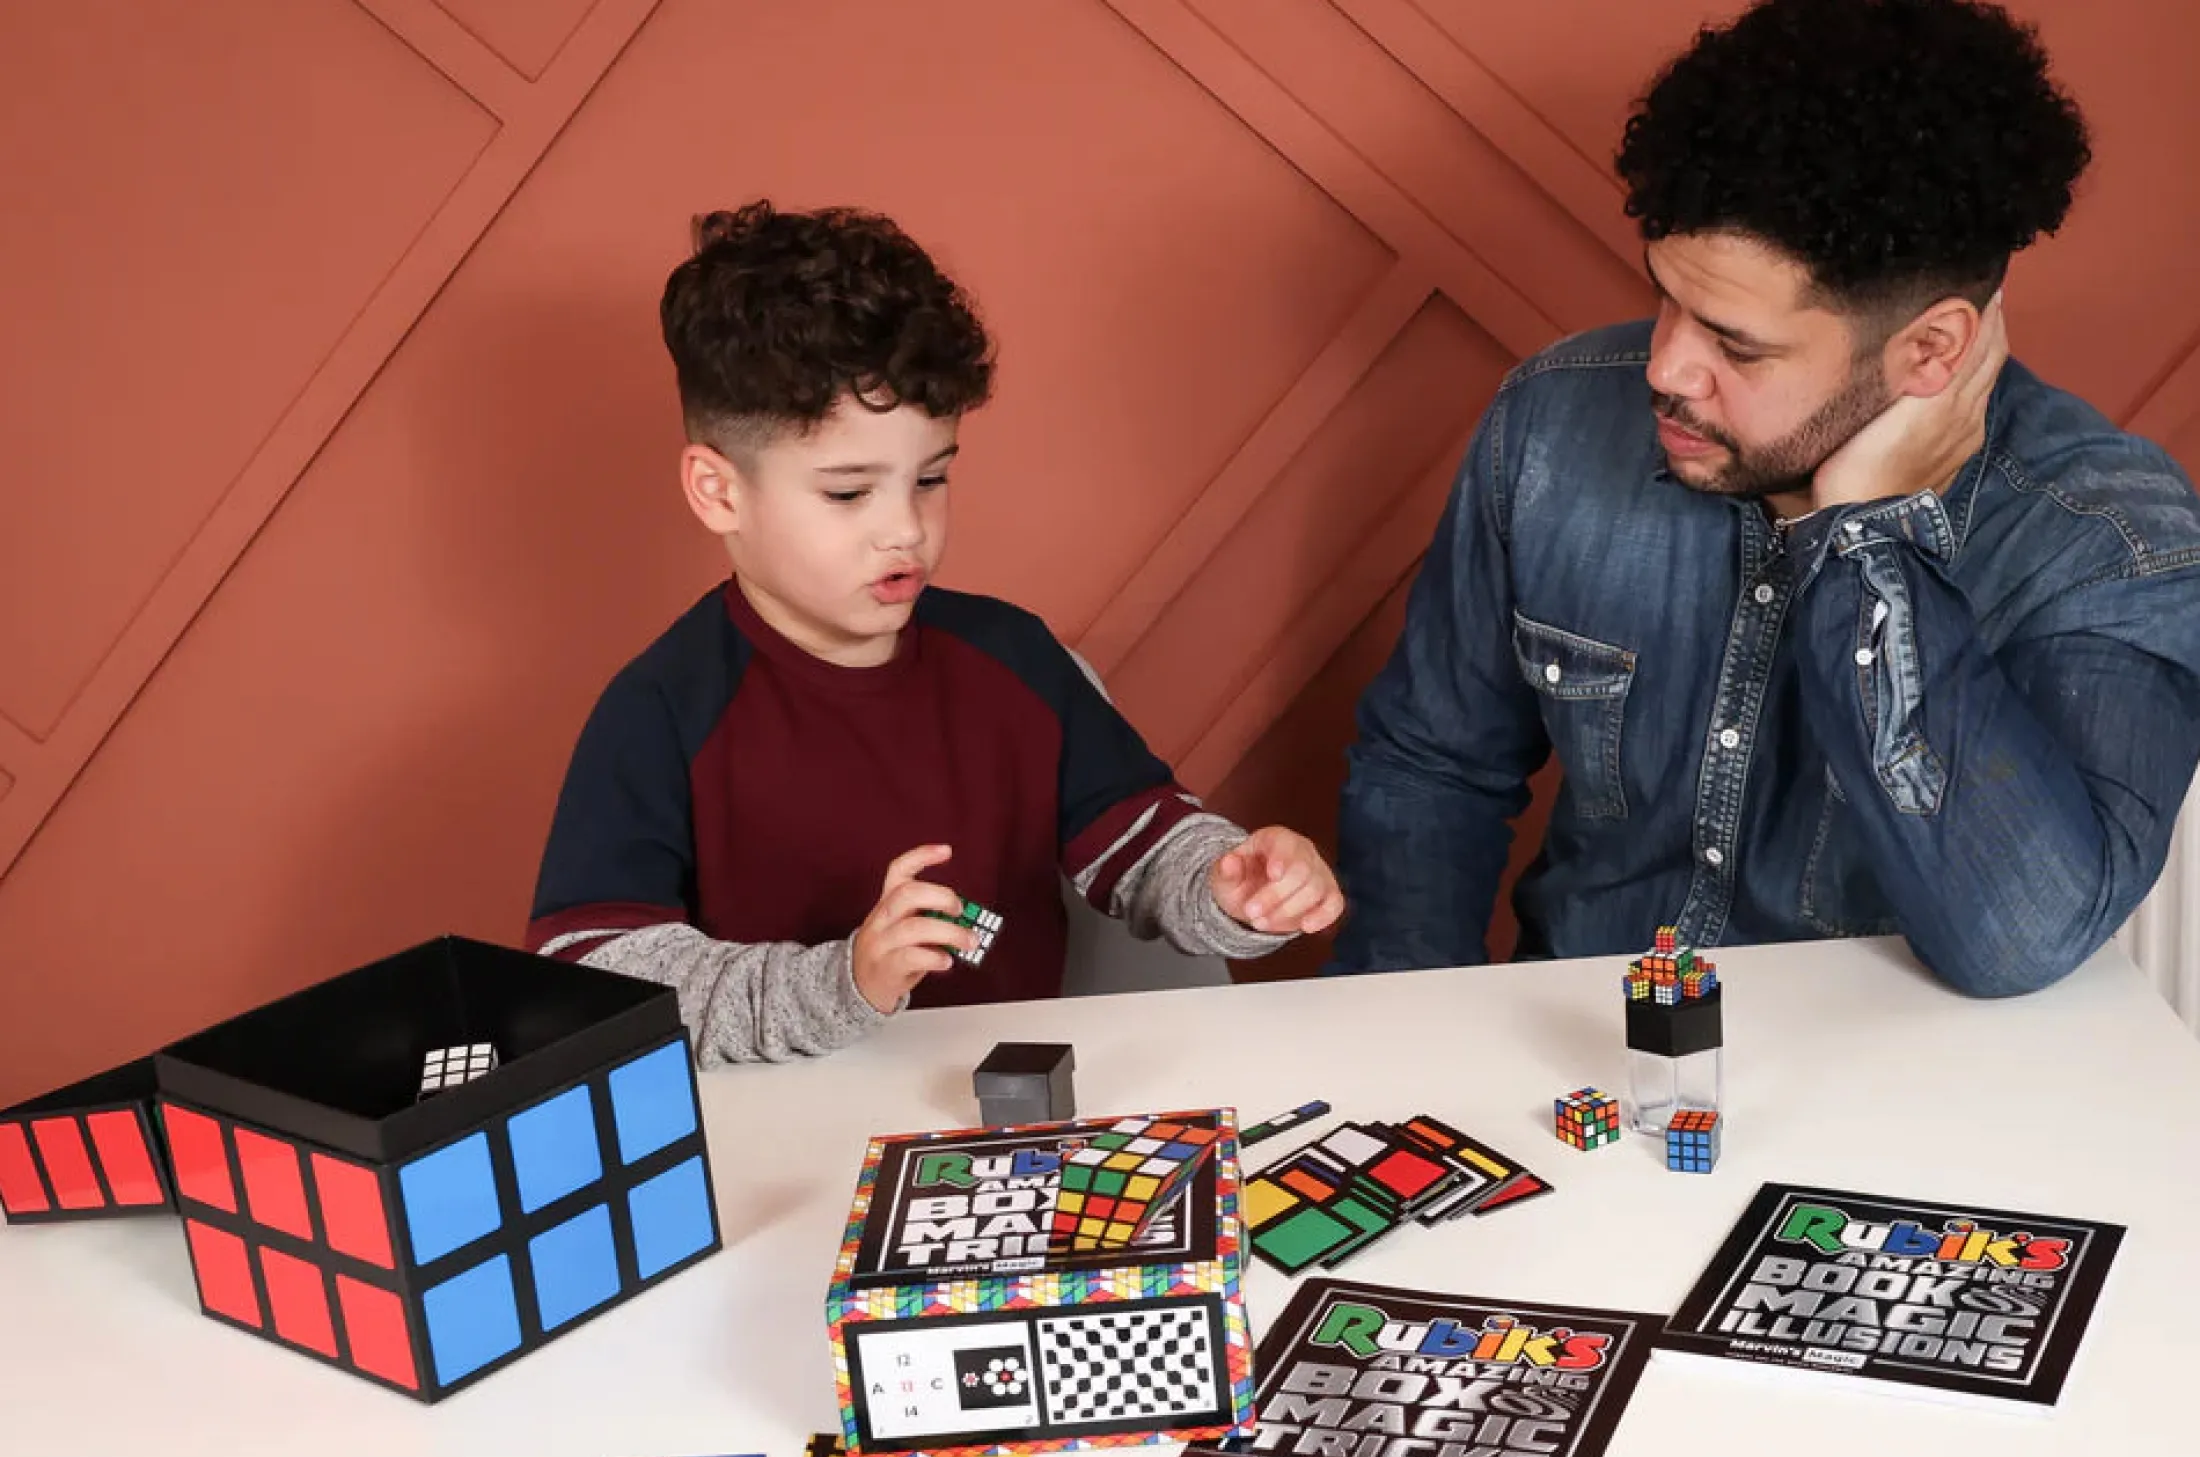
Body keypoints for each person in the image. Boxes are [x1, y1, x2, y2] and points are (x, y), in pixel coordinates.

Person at [1329, 0, 2200, 998]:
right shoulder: (1550, 421)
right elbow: (1431, 765)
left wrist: (1868, 539)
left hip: (1903, 1113)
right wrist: (1406, 1042)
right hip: (1580, 1067)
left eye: (1735, 345)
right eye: (1664, 296)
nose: (1665, 368)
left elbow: (2018, 938)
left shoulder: (2107, 539)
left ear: (1931, 350)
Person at [527, 201, 1343, 1064]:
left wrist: (1231, 888)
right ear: (718, 492)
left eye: (931, 478)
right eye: (848, 493)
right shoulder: (659, 712)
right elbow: (599, 983)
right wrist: (844, 983)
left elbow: (1143, 850)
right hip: (774, 1136)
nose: (904, 530)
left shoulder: (1013, 658)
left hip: (1010, 1119)